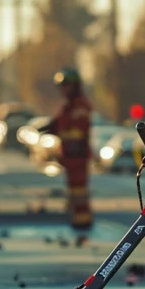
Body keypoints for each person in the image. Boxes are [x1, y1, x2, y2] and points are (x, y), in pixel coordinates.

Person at [39, 68, 93, 239]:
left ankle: (82, 221)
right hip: (70, 157)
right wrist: (50, 127)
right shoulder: (68, 106)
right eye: (61, 87)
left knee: (79, 191)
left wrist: (61, 133)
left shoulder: (80, 106)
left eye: (66, 86)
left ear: (74, 86)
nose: (63, 90)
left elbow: (77, 131)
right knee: (74, 191)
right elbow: (61, 123)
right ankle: (78, 219)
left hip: (77, 156)